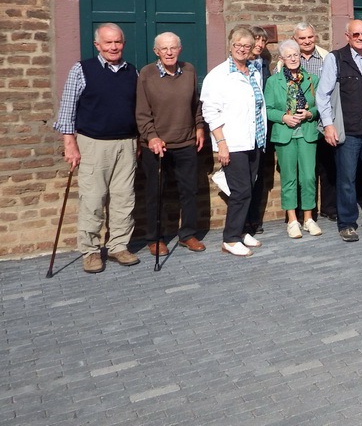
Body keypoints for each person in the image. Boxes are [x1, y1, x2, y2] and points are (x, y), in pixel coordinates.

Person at [54, 23, 140, 273]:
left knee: (124, 198)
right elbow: (68, 108)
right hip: (93, 144)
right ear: (97, 45)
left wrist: (138, 141)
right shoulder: (82, 69)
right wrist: (69, 143)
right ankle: (90, 251)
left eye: (117, 42)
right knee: (92, 199)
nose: (113, 47)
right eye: (108, 42)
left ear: (123, 44)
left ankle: (118, 246)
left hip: (126, 143)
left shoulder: (132, 72)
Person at [317, 20, 362, 241]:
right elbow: (322, 95)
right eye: (356, 34)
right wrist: (328, 124)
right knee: (347, 177)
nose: (360, 37)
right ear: (347, 36)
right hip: (348, 127)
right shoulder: (336, 58)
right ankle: (347, 223)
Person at [136, 32, 206, 256]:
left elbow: (196, 104)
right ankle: (155, 238)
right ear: (156, 51)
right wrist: (151, 136)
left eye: (173, 48)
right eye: (164, 49)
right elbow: (142, 112)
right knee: (155, 193)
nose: (169, 52)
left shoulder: (189, 70)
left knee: (190, 191)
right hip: (157, 145)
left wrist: (199, 126)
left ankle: (188, 234)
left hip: (186, 142)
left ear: (180, 49)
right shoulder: (146, 74)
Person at [201, 27, 267, 257]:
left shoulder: (254, 72)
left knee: (249, 188)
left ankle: (241, 231)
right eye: (238, 44)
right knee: (240, 191)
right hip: (233, 142)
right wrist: (221, 144)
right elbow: (210, 112)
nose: (242, 49)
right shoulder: (218, 75)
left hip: (254, 141)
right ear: (230, 45)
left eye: (247, 46)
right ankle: (230, 238)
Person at [265, 40, 322, 239]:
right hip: (285, 135)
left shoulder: (312, 79)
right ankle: (292, 220)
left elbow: (320, 105)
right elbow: (268, 109)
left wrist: (310, 113)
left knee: (308, 177)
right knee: (289, 178)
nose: (293, 58)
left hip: (307, 133)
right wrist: (284, 117)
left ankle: (308, 218)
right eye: (288, 55)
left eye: (296, 54)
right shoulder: (273, 82)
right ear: (281, 58)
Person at [292, 21, 336, 223]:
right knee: (304, 169)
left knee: (328, 166)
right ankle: (304, 210)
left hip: (324, 119)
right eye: (302, 38)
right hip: (301, 123)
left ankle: (329, 207)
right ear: (295, 39)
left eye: (310, 37)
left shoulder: (327, 57)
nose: (307, 41)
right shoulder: (290, 58)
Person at [247, 25, 273, 236]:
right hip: (244, 127)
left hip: (262, 129)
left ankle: (254, 218)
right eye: (257, 39)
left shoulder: (264, 65)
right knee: (244, 177)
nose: (260, 44)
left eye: (263, 41)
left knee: (259, 176)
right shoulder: (239, 65)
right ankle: (244, 219)